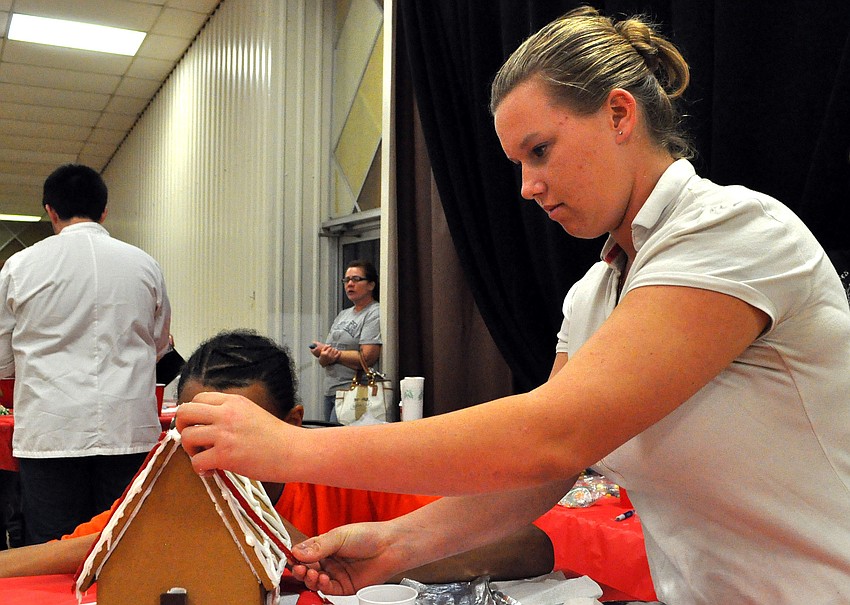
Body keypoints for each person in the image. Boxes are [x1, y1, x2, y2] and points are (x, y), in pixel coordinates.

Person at [176, 8, 850, 604]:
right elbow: (546, 471)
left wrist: (294, 449)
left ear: (620, 113)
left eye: (541, 151)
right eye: (516, 163)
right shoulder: (594, 295)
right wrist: (398, 543)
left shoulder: (733, 233)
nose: (528, 186)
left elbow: (548, 434)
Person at [0, 329, 555, 583]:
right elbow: (77, 548)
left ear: (290, 427)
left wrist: (377, 556)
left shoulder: (346, 477)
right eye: (201, 435)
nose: (221, 459)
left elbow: (532, 547)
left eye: (244, 436)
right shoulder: (175, 481)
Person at [0, 164, 171, 545]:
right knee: (124, 548)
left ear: (50, 211)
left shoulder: (19, 267)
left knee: (50, 553)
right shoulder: (145, 264)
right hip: (127, 429)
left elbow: (1, 358)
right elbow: (160, 344)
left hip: (50, 430)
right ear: (104, 211)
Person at [310, 260, 382, 422]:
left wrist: (335, 355)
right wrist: (323, 354)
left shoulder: (374, 313)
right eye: (346, 280)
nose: (350, 284)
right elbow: (328, 358)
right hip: (331, 391)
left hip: (354, 393)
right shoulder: (344, 314)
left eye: (356, 279)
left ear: (371, 285)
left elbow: (367, 357)